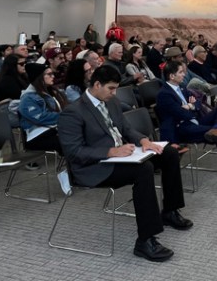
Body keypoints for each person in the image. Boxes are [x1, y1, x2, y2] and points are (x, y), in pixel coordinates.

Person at [57, 66, 193, 262]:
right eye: (111, 88)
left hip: (121, 156)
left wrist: (144, 140)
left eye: (116, 88)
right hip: (94, 166)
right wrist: (111, 152)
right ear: (97, 85)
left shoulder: (111, 101)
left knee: (169, 153)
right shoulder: (73, 112)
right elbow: (74, 152)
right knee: (143, 170)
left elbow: (127, 129)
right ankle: (145, 240)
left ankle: (170, 211)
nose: (114, 93)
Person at [156, 61, 217, 187]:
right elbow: (182, 114)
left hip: (195, 121)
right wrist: (192, 106)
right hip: (182, 129)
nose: (184, 74)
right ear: (171, 76)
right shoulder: (164, 94)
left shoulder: (181, 87)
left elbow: (198, 102)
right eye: (180, 72)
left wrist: (190, 106)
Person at [19, 64, 66, 153]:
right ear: (39, 78)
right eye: (49, 74)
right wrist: (65, 116)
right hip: (38, 135)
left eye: (52, 73)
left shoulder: (51, 91)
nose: (53, 76)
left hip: (53, 128)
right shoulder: (27, 98)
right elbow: (41, 118)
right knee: (71, 140)